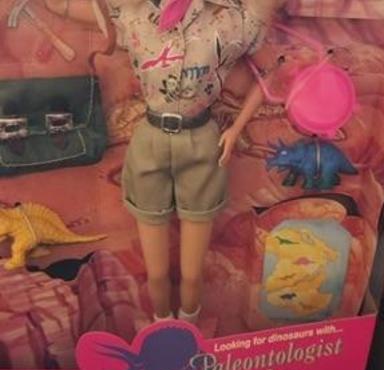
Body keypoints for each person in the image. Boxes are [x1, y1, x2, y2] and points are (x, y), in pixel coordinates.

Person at [43, 0, 281, 324]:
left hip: (203, 144)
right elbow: (59, 5)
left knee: (192, 275)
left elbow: (270, 71)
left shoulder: (229, 20)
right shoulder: (132, 15)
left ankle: (187, 330)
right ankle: (162, 327)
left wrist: (236, 128)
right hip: (150, 143)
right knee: (155, 274)